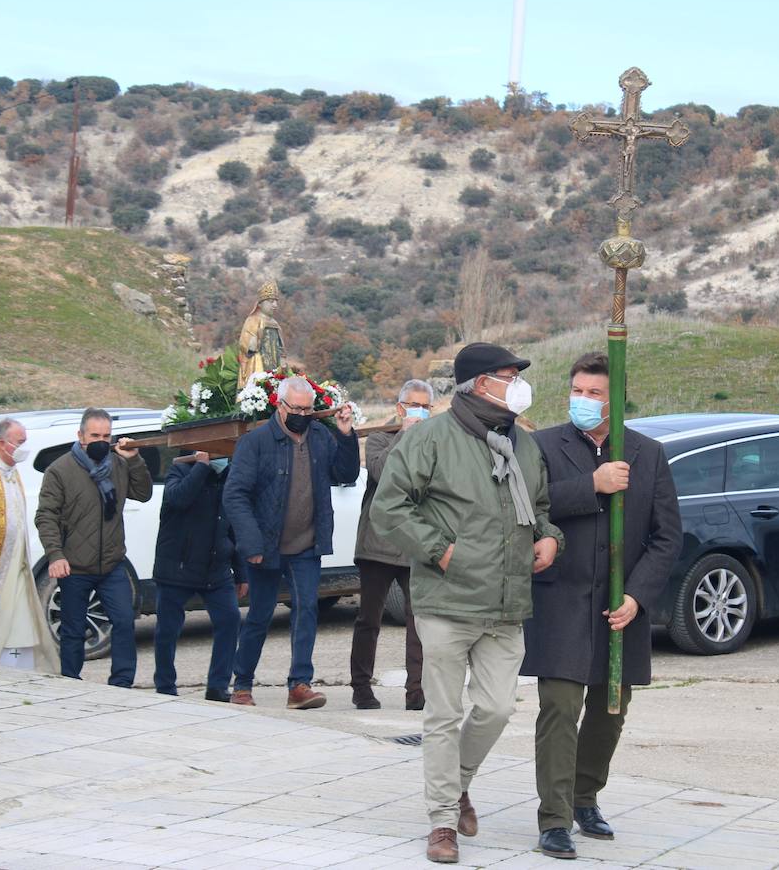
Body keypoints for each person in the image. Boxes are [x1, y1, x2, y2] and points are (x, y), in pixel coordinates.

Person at [371, 342, 564, 864]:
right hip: (446, 599)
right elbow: (388, 509)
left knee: (498, 708)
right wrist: (441, 550)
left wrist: (548, 536)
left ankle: (456, 785)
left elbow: (539, 506)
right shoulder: (430, 438)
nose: (518, 384)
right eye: (509, 375)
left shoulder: (522, 444)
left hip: (506, 601)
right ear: (481, 384)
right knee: (442, 713)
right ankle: (441, 823)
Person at [523, 352, 681, 859]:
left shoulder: (647, 453)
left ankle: (585, 795)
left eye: (595, 394)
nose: (583, 401)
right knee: (560, 707)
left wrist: (637, 595)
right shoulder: (542, 445)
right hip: (561, 602)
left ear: (615, 400)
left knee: (610, 710)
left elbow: (666, 537)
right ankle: (554, 818)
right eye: (577, 391)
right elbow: (529, 506)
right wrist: (590, 486)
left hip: (620, 607)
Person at [222, 375, 360, 708]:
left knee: (306, 611)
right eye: (295, 408)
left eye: (308, 409)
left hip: (306, 545)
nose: (301, 414)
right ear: (279, 406)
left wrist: (345, 435)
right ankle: (242, 686)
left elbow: (346, 474)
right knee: (259, 615)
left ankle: (299, 685)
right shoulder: (256, 442)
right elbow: (235, 494)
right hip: (265, 546)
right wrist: (251, 544)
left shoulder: (321, 438)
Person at [35, 407, 152, 686]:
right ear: (81, 435)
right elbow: (46, 516)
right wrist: (55, 555)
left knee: (124, 621)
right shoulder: (60, 470)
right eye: (95, 435)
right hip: (75, 565)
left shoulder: (119, 464)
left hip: (112, 564)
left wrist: (135, 461)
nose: (101, 440)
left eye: (106, 435)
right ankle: (70, 681)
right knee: (73, 629)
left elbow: (144, 493)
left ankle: (122, 683)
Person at [349, 378, 432, 711]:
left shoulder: (433, 444)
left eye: (426, 407)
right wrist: (406, 436)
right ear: (400, 408)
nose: (420, 412)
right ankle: (361, 687)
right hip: (378, 544)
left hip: (415, 545)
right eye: (415, 405)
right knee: (369, 619)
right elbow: (382, 473)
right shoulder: (380, 439)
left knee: (419, 622)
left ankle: (417, 691)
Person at [0, 419, 60, 673]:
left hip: (16, 563)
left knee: (20, 622)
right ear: (2, 443)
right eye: (20, 442)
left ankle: (18, 670)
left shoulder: (11, 471)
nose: (23, 448)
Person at [152, 450, 246, 701]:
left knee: (229, 620)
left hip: (215, 568)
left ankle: (217, 685)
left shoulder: (227, 476)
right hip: (177, 567)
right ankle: (164, 686)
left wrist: (241, 573)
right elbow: (178, 498)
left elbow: (233, 527)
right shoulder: (179, 471)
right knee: (167, 630)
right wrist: (201, 467)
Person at [236, 281, 286, 389]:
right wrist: (251, 343)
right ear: (260, 304)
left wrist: (282, 359)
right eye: (271, 301)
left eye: (276, 302)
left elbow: (280, 346)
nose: (275, 305)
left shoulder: (275, 323)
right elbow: (244, 343)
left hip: (274, 365)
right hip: (257, 364)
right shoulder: (252, 320)